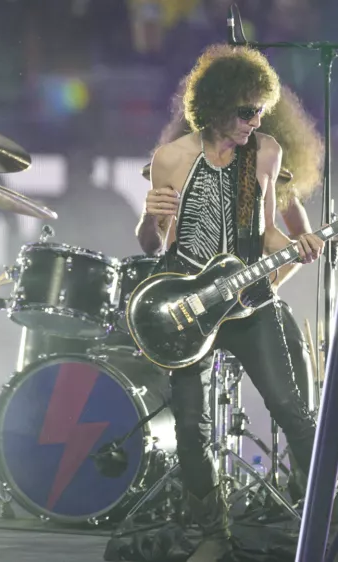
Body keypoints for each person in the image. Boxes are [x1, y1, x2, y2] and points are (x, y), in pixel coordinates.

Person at [136, 44, 323, 562]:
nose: (256, 120)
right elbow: (153, 246)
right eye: (246, 111)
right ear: (215, 106)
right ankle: (211, 533)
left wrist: (297, 247)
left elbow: (265, 232)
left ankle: (324, 519)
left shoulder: (265, 151)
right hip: (188, 301)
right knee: (191, 427)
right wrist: (150, 217)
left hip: (246, 299)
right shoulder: (170, 158)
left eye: (261, 109)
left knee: (290, 407)